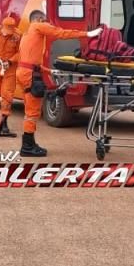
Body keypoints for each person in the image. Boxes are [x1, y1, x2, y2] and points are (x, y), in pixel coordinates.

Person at [16, 10, 101, 157]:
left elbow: (30, 62)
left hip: (26, 72)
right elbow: (60, 33)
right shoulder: (38, 26)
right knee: (32, 112)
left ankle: (29, 142)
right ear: (40, 19)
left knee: (31, 108)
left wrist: (50, 71)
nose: (47, 23)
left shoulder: (26, 34)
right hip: (29, 74)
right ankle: (27, 146)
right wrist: (86, 34)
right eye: (45, 20)